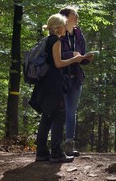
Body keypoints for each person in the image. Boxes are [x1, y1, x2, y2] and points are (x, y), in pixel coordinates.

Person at [34, 14, 85, 163]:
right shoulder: (55, 41)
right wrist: (74, 59)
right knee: (58, 116)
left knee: (46, 117)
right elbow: (58, 63)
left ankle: (42, 152)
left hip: (45, 83)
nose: (65, 27)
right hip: (54, 84)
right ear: (58, 27)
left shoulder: (46, 40)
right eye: (63, 25)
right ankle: (56, 153)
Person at [59, 6, 94, 157]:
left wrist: (86, 58)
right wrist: (71, 54)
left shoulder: (79, 34)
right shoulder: (58, 32)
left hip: (76, 77)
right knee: (59, 112)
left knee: (71, 112)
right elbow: (55, 55)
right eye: (74, 14)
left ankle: (68, 144)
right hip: (60, 77)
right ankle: (54, 145)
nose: (77, 16)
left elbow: (81, 57)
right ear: (66, 17)